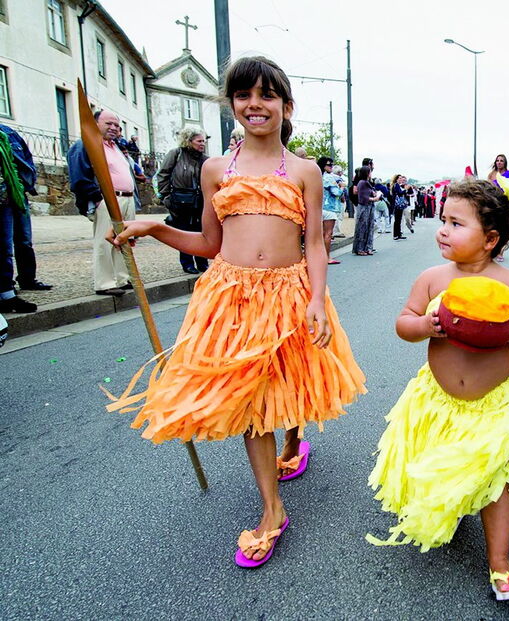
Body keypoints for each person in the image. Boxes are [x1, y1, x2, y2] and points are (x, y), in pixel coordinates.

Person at [105, 56, 366, 567]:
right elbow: (208, 241)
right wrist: (156, 229)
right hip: (231, 298)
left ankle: (294, 438)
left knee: (293, 384)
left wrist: (316, 297)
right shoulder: (214, 169)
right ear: (232, 107)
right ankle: (273, 510)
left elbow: (314, 242)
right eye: (244, 95)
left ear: (286, 107)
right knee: (251, 403)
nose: (255, 104)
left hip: (291, 293)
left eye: (267, 95)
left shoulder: (306, 172)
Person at [367, 177, 509, 600]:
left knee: (494, 480)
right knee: (441, 464)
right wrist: (425, 325)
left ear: (490, 239)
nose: (443, 229)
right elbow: (404, 322)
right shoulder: (432, 278)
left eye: (455, 223)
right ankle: (448, 506)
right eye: (442, 219)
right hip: (438, 401)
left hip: (494, 405)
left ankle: (500, 562)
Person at [67, 109, 137, 296]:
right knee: (104, 242)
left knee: (123, 240)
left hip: (126, 197)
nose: (114, 128)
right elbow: (79, 177)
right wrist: (97, 199)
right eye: (109, 124)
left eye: (116, 125)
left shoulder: (115, 147)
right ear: (96, 124)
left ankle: (122, 278)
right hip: (107, 198)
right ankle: (105, 282)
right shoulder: (86, 145)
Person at [1, 123, 52, 314]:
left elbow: (26, 160)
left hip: (13, 194)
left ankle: (25, 280)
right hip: (5, 197)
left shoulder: (7, 133)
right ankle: (6, 293)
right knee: (4, 247)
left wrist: (26, 185)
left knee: (23, 240)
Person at [156, 127, 209, 274]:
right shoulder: (176, 154)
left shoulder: (205, 159)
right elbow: (163, 175)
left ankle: (202, 262)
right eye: (199, 141)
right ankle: (187, 263)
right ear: (189, 141)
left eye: (204, 141)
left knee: (201, 231)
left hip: (200, 200)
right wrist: (166, 197)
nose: (202, 144)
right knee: (184, 231)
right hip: (180, 200)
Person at [317, 156, 342, 264]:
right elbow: (336, 192)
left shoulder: (316, 176)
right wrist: (341, 188)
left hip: (317, 207)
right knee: (328, 234)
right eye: (329, 165)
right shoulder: (328, 177)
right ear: (324, 165)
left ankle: (318, 257)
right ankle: (327, 257)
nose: (331, 167)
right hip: (329, 207)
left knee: (319, 234)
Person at [352, 165, 378, 256]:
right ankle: (360, 248)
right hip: (364, 207)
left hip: (369, 207)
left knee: (369, 227)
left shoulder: (367, 183)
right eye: (370, 172)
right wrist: (375, 198)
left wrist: (374, 195)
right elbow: (363, 197)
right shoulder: (362, 183)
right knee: (362, 227)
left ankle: (368, 247)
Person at [390, 174, 409, 240]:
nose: (401, 180)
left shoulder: (397, 185)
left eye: (401, 178)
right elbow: (400, 193)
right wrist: (405, 190)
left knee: (399, 220)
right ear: (396, 179)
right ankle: (396, 235)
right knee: (397, 220)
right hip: (397, 205)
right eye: (400, 178)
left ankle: (398, 234)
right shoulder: (396, 185)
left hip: (398, 204)